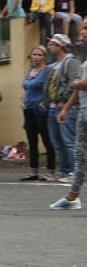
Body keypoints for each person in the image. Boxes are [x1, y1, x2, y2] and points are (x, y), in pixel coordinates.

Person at [49, 55, 87, 210]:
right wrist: (66, 108)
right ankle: (72, 197)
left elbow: (83, 84)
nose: (83, 33)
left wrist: (75, 83)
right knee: (79, 155)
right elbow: (79, 90)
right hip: (83, 111)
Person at [44, 34, 80, 183]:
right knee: (57, 142)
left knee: (69, 140)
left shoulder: (71, 62)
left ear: (60, 46)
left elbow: (73, 84)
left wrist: (63, 100)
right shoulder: (53, 65)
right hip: (53, 108)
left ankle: (73, 172)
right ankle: (64, 171)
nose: (49, 46)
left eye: (52, 43)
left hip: (66, 107)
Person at [21, 45, 55, 181]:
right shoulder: (31, 70)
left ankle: (50, 171)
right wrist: (23, 100)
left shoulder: (47, 70)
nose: (36, 57)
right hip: (28, 109)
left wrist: (45, 101)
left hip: (40, 109)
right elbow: (27, 88)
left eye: (39, 55)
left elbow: (50, 87)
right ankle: (33, 171)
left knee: (47, 140)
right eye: (34, 54)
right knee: (32, 141)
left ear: (44, 57)